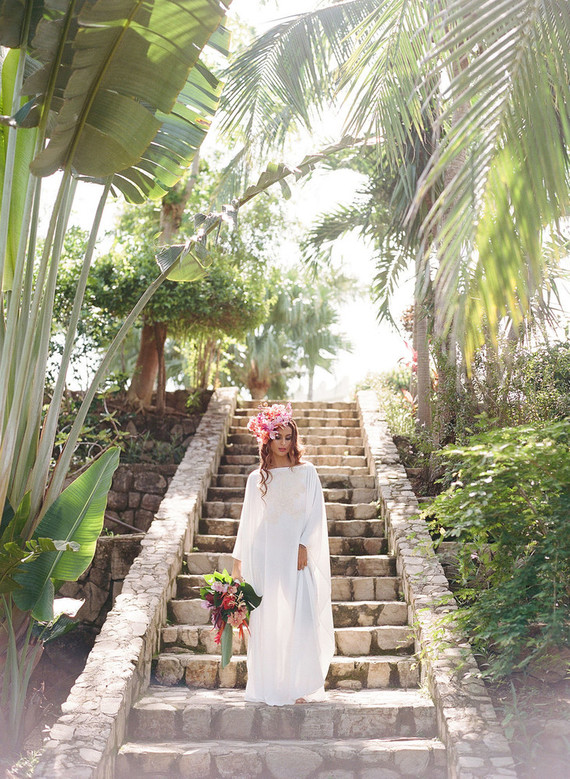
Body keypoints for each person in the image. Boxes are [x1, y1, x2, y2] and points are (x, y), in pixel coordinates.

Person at [231, 402, 334, 706]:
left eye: (289, 437)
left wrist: (304, 544)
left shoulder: (307, 473)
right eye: (278, 437)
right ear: (267, 438)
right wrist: (237, 569)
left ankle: (299, 686)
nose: (284, 443)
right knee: (266, 620)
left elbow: (316, 513)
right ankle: (268, 685)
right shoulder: (256, 478)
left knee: (299, 618)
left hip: (295, 554)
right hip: (264, 554)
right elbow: (247, 524)